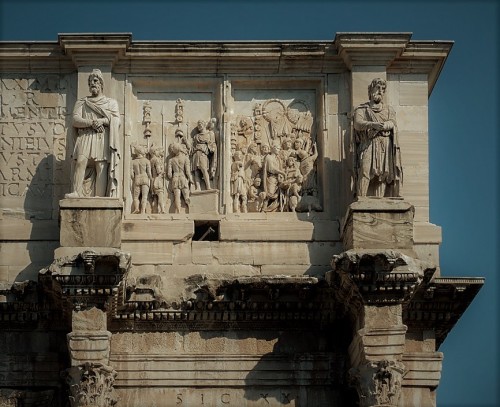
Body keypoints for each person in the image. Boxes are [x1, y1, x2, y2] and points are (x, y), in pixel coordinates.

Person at [66, 69, 121, 198]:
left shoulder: (110, 103)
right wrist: (92, 122)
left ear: (101, 83)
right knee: (80, 162)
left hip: (102, 137)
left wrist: (101, 121)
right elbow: (75, 120)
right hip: (85, 135)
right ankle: (76, 192)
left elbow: (116, 120)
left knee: (101, 166)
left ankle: (99, 197)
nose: (92, 83)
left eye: (95, 81)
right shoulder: (82, 102)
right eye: (90, 81)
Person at [353, 78, 402, 197]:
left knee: (383, 174)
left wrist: (384, 125)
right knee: (365, 170)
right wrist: (372, 125)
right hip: (368, 143)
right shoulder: (362, 109)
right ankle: (361, 198)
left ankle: (381, 201)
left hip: (385, 143)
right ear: (371, 90)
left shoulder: (389, 109)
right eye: (378, 88)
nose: (380, 91)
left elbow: (392, 123)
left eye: (383, 89)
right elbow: (357, 124)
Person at [191, 119, 217, 191]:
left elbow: (213, 145)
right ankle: (198, 187)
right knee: (196, 171)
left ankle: (208, 186)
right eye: (198, 125)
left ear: (204, 125)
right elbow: (193, 146)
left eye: (200, 124)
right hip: (196, 153)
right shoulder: (196, 136)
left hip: (203, 154)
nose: (199, 126)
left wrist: (208, 146)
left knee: (204, 169)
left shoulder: (210, 134)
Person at [168, 143, 193, 213]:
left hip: (175, 178)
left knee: (177, 197)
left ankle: (178, 211)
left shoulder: (171, 160)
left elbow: (169, 174)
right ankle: (190, 210)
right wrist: (191, 180)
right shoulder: (185, 159)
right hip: (183, 178)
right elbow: (187, 172)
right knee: (186, 196)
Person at [130, 145, 152, 214]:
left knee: (136, 197)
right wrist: (151, 179)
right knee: (144, 196)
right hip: (145, 178)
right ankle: (143, 210)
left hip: (137, 178)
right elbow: (149, 173)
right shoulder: (147, 161)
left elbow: (131, 174)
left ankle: (136, 208)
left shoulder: (133, 162)